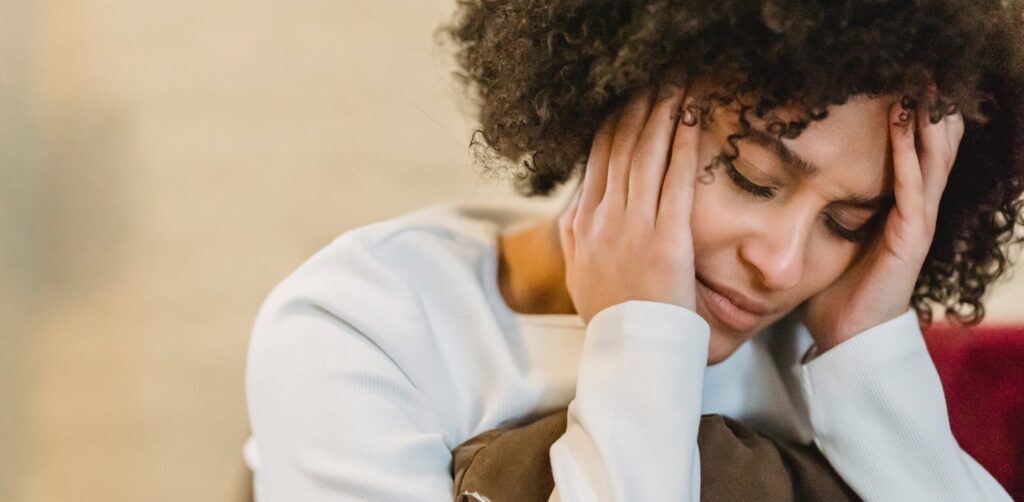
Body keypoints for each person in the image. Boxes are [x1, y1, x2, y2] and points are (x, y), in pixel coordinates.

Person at [244, 1, 1024, 500]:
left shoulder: (824, 363)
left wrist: (871, 355)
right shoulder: (365, 330)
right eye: (753, 177)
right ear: (617, 92)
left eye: (848, 222)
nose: (783, 265)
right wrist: (642, 339)